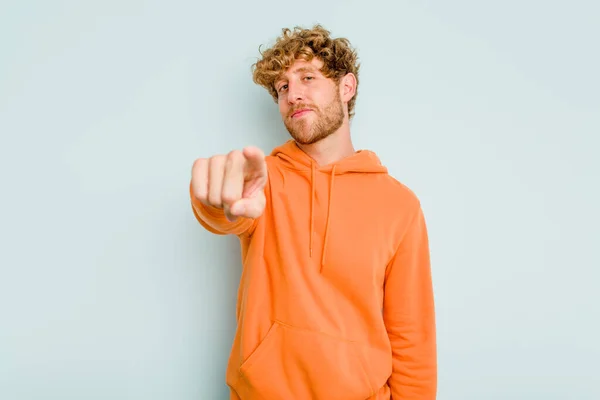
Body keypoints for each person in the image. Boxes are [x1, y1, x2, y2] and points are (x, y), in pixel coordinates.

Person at [189, 25, 437, 400]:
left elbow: (412, 337)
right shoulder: (264, 179)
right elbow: (228, 212)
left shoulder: (399, 205)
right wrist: (216, 202)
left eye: (307, 77)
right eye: (282, 88)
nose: (293, 94)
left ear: (346, 87)